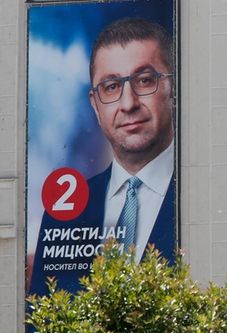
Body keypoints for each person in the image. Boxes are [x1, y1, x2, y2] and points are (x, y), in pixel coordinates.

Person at [29, 17, 175, 298]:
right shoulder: (62, 218)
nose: (128, 103)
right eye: (111, 87)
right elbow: (40, 328)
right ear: (95, 105)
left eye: (144, 81)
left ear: (173, 87)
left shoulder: (201, 200)